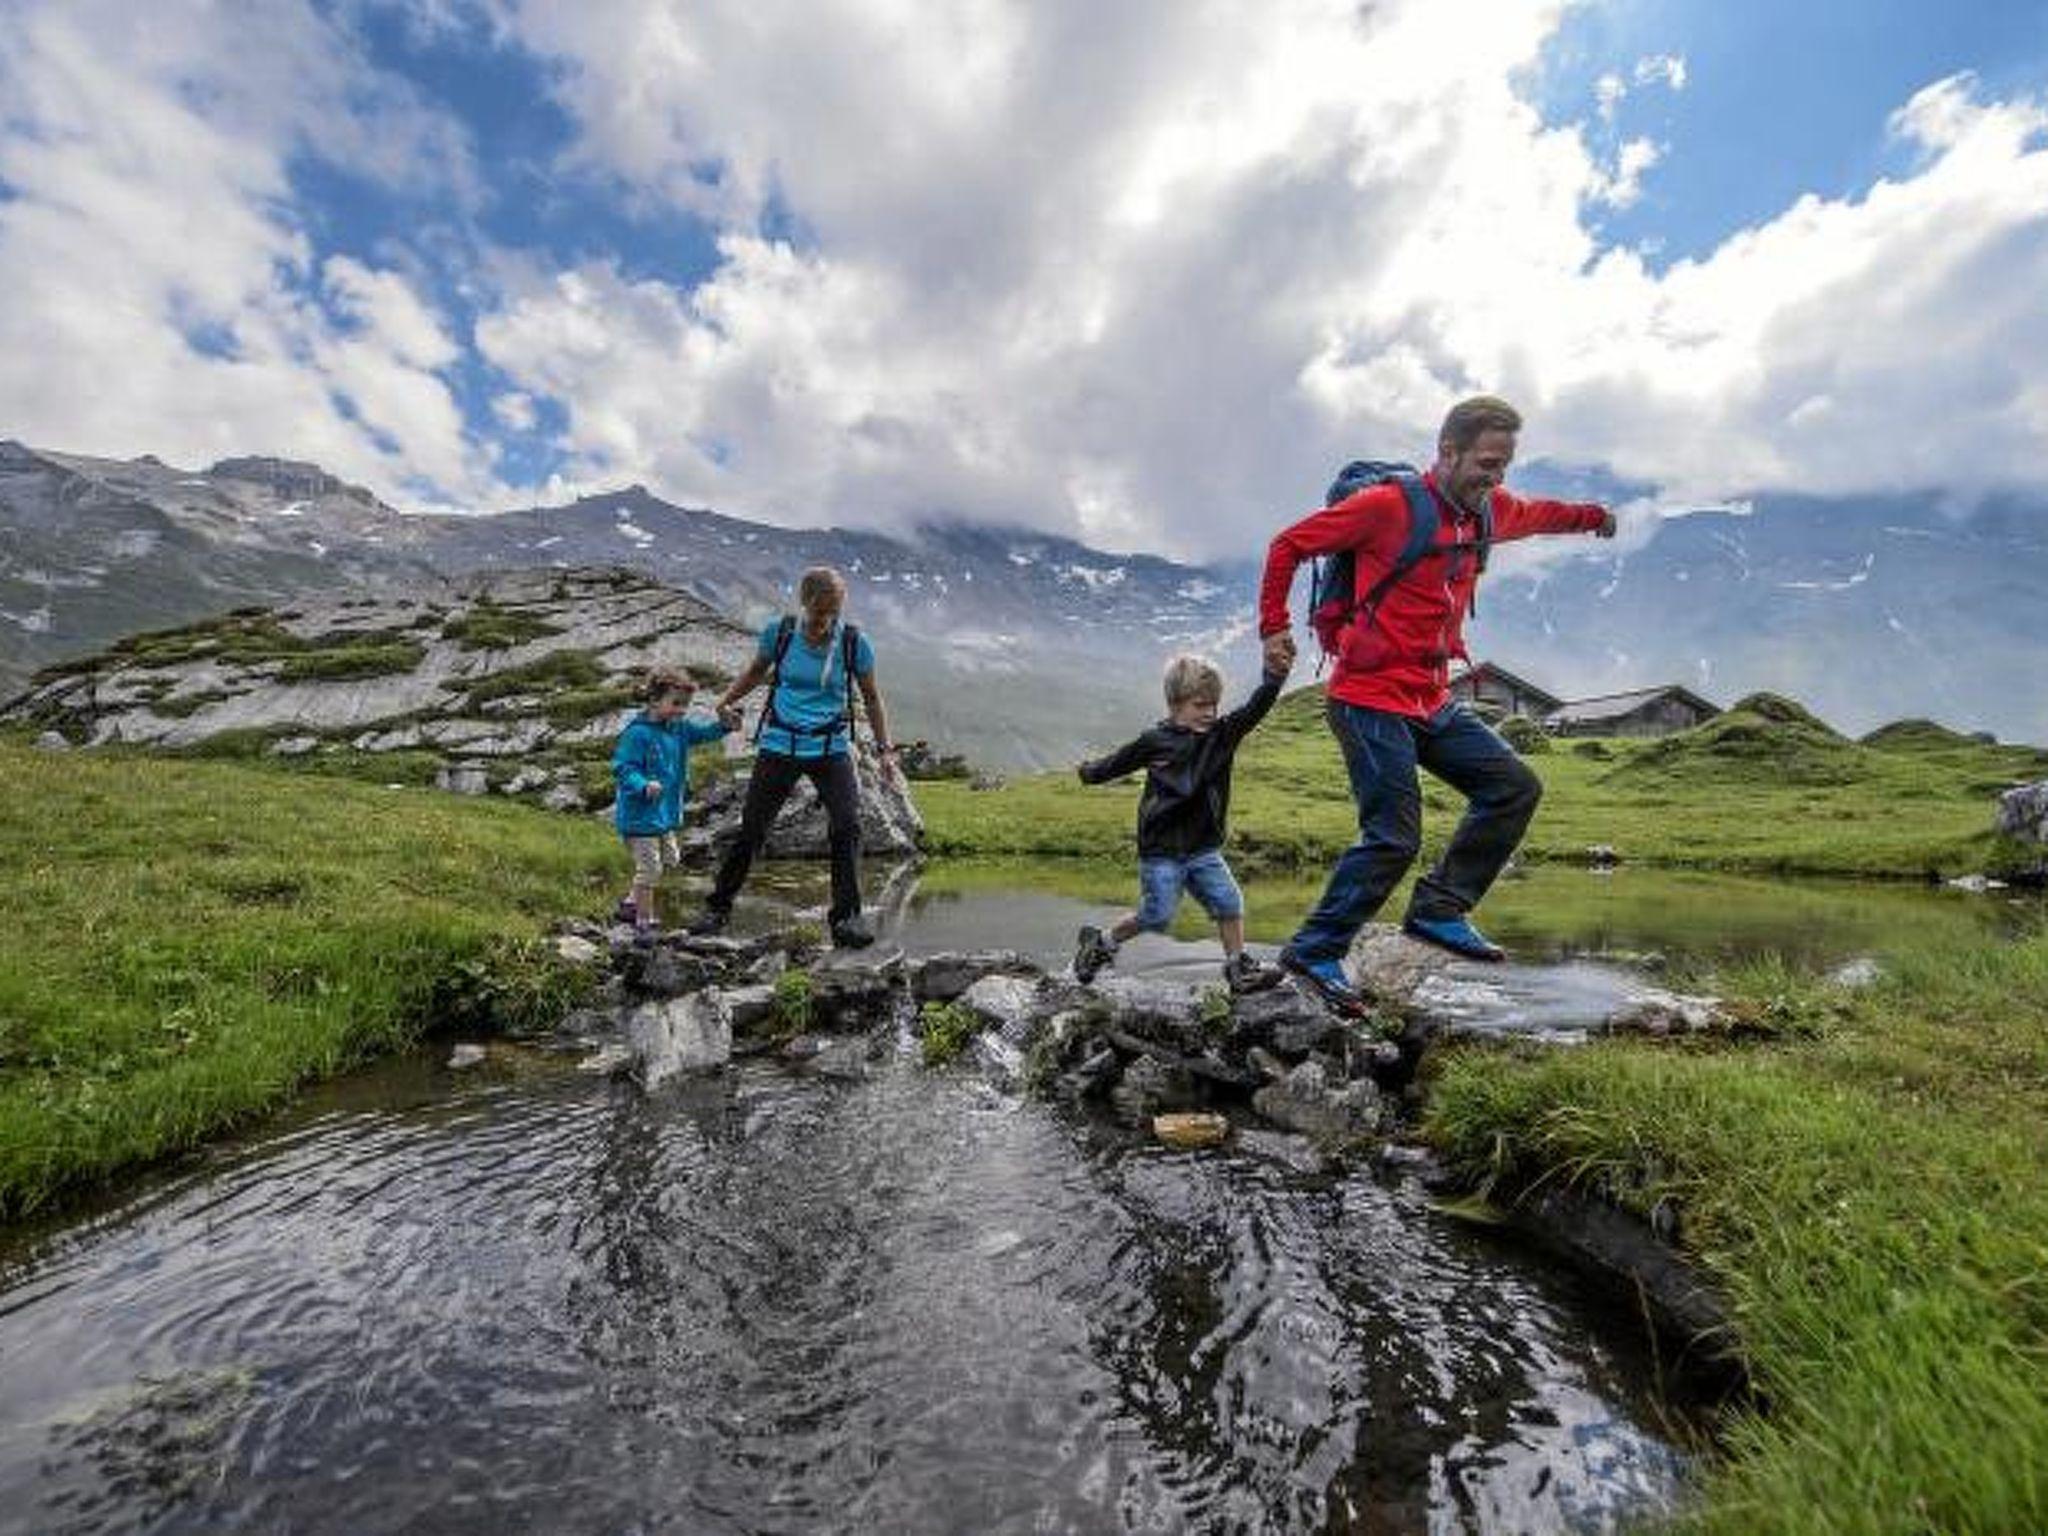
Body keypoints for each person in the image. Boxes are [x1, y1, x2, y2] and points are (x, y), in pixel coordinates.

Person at [1258, 395, 1618, 1010]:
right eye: (1485, 463)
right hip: (1368, 698)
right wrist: (1274, 628)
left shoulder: (1489, 511)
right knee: (1393, 837)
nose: (1495, 478)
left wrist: (1593, 517)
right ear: (1447, 452)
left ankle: (1439, 908)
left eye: (1503, 466)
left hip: (1429, 697)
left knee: (1513, 787)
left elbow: (1539, 514)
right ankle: (1315, 949)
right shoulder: (1386, 509)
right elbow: (1288, 545)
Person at [690, 566, 900, 948]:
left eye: (833, 612)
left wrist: (886, 751)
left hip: (830, 747)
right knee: (752, 829)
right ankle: (717, 909)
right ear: (805, 603)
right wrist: (725, 702)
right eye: (820, 611)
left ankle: (847, 920)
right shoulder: (781, 633)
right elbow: (756, 671)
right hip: (779, 745)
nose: (825, 620)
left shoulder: (854, 642)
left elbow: (871, 696)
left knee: (848, 825)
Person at [1072, 652, 1290, 995]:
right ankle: (1100, 943)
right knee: (1157, 915)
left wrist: (1273, 680)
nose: (1209, 713)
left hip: (1204, 847)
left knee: (1229, 903)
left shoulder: (1223, 734)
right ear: (1176, 703)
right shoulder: (1154, 741)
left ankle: (1238, 967)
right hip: (1162, 850)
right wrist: (1088, 772)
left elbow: (1254, 710)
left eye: (1213, 705)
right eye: (1199, 705)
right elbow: (1116, 763)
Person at [612, 668, 734, 936]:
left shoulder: (678, 728)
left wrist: (725, 726)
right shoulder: (638, 734)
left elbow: (704, 734)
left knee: (671, 859)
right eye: (676, 704)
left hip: (663, 815)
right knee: (650, 869)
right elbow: (622, 768)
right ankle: (644, 922)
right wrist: (643, 784)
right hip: (639, 817)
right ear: (655, 700)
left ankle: (631, 903)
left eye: (685, 705)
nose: (681, 711)